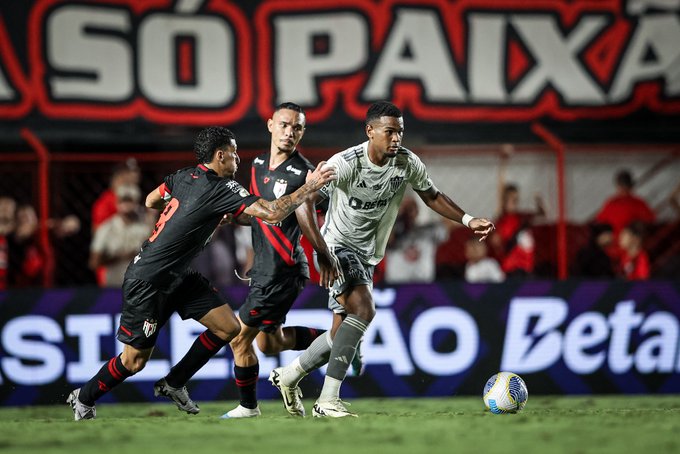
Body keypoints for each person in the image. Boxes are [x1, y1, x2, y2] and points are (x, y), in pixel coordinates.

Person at [67, 126, 336, 420]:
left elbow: (150, 201)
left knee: (229, 329)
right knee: (134, 362)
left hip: (178, 275)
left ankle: (174, 382)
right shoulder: (222, 187)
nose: (237, 161)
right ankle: (85, 396)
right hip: (149, 280)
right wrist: (310, 187)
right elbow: (271, 213)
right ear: (220, 156)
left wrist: (192, 214)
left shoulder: (183, 176)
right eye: (233, 154)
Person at [268, 101, 495, 418]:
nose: (396, 139)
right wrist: (322, 253)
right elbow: (305, 202)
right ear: (370, 131)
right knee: (364, 308)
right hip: (337, 246)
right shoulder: (345, 163)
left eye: (400, 132)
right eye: (389, 132)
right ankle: (327, 401)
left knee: (339, 334)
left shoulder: (406, 162)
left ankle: (288, 375)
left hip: (367, 255)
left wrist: (468, 219)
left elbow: (431, 195)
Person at [222, 103, 341, 418]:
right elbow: (259, 213)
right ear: (270, 125)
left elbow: (309, 214)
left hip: (281, 269)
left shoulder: (304, 172)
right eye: (285, 125)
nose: (290, 132)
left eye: (297, 128)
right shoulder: (258, 163)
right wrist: (232, 217)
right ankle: (338, 343)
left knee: (239, 339)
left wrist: (323, 252)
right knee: (269, 344)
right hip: (263, 267)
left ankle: (248, 408)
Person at [490, 145, 545, 277]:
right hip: (511, 268)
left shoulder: (522, 217)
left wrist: (539, 202)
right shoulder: (502, 217)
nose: (513, 202)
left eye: (515, 199)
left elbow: (542, 214)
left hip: (527, 267)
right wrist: (504, 161)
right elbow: (500, 188)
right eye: (509, 199)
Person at [89, 185, 152, 287]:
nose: (126, 205)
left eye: (130, 201)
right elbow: (94, 262)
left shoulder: (145, 229)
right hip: (113, 285)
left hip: (138, 285)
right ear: (117, 203)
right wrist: (121, 257)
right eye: (123, 201)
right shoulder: (106, 228)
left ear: (136, 204)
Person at [384, 195, 449, 283]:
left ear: (417, 210)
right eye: (405, 209)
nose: (408, 212)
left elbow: (449, 224)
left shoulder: (429, 230)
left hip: (423, 283)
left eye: (411, 208)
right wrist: (397, 218)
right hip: (397, 284)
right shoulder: (389, 232)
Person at [595, 169, 655, 239]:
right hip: (614, 243)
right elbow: (600, 221)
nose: (623, 190)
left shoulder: (638, 203)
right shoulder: (612, 202)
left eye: (625, 186)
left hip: (631, 242)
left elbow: (650, 220)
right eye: (622, 186)